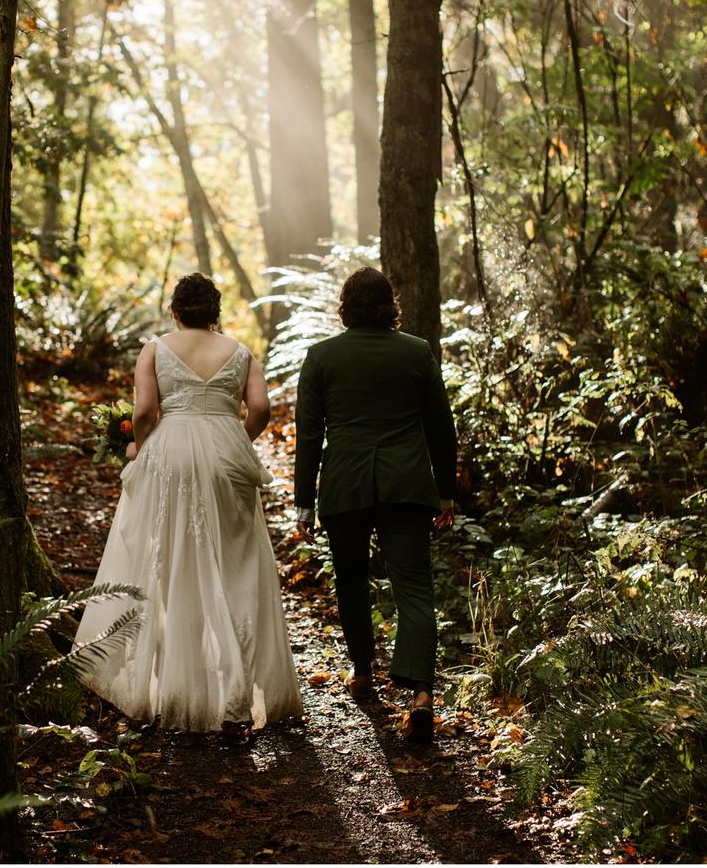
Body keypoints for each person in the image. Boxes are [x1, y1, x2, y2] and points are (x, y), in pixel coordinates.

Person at [75, 273, 303, 731]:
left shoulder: (156, 349)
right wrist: (234, 440)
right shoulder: (241, 353)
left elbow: (144, 413)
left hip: (170, 455)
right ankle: (237, 703)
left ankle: (168, 689)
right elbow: (259, 410)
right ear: (215, 314)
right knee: (235, 570)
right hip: (227, 456)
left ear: (175, 312)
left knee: (167, 563)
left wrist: (141, 448)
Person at [293, 267, 456, 743]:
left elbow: (309, 433)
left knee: (351, 580)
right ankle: (421, 693)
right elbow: (440, 426)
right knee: (414, 587)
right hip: (406, 485)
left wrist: (304, 501)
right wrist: (445, 490)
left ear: (344, 307)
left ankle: (363, 671)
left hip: (345, 485)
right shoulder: (415, 352)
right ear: (391, 306)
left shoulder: (322, 357)